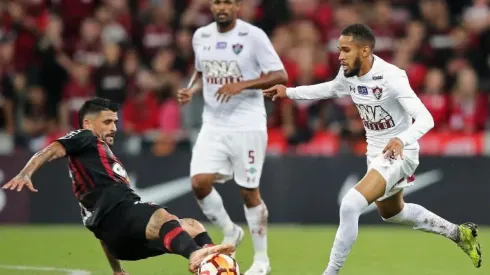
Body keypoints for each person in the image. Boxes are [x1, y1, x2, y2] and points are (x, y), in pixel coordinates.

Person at [263, 23, 482, 275]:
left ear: (365, 51)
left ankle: (330, 272)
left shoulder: (392, 76)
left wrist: (402, 139)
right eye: (339, 50)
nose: (340, 56)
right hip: (375, 153)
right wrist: (288, 92)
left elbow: (425, 119)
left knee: (350, 204)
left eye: (346, 50)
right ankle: (458, 233)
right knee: (393, 213)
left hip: (400, 152)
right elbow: (330, 89)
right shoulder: (348, 74)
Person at [2, 98, 234, 275]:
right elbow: (52, 149)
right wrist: (26, 172)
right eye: (107, 122)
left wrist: (116, 269)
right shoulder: (86, 137)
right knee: (162, 216)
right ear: (88, 123)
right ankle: (197, 255)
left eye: (115, 121)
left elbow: (101, 230)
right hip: (123, 219)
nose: (113, 127)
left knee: (192, 226)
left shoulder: (95, 172)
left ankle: (215, 265)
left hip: (121, 243)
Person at [177, 0, 287, 274]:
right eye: (217, 2)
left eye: (227, 2)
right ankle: (230, 230)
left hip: (246, 123)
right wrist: (191, 89)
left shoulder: (253, 36)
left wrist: (243, 84)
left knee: (249, 192)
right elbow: (202, 71)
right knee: (199, 183)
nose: (221, 7)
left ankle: (262, 259)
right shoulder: (201, 36)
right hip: (213, 123)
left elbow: (280, 75)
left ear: (237, 6)